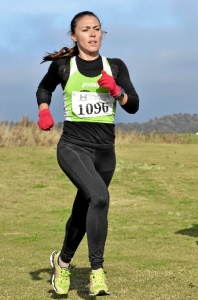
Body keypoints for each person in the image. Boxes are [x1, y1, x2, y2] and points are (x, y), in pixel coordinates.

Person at [36, 11, 139, 296]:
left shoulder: (115, 66)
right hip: (73, 147)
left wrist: (117, 91)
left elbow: (134, 105)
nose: (93, 34)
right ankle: (97, 272)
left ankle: (63, 262)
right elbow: (45, 88)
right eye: (85, 30)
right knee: (100, 197)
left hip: (105, 152)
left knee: (86, 208)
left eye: (97, 29)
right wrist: (44, 110)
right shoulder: (64, 65)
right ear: (74, 36)